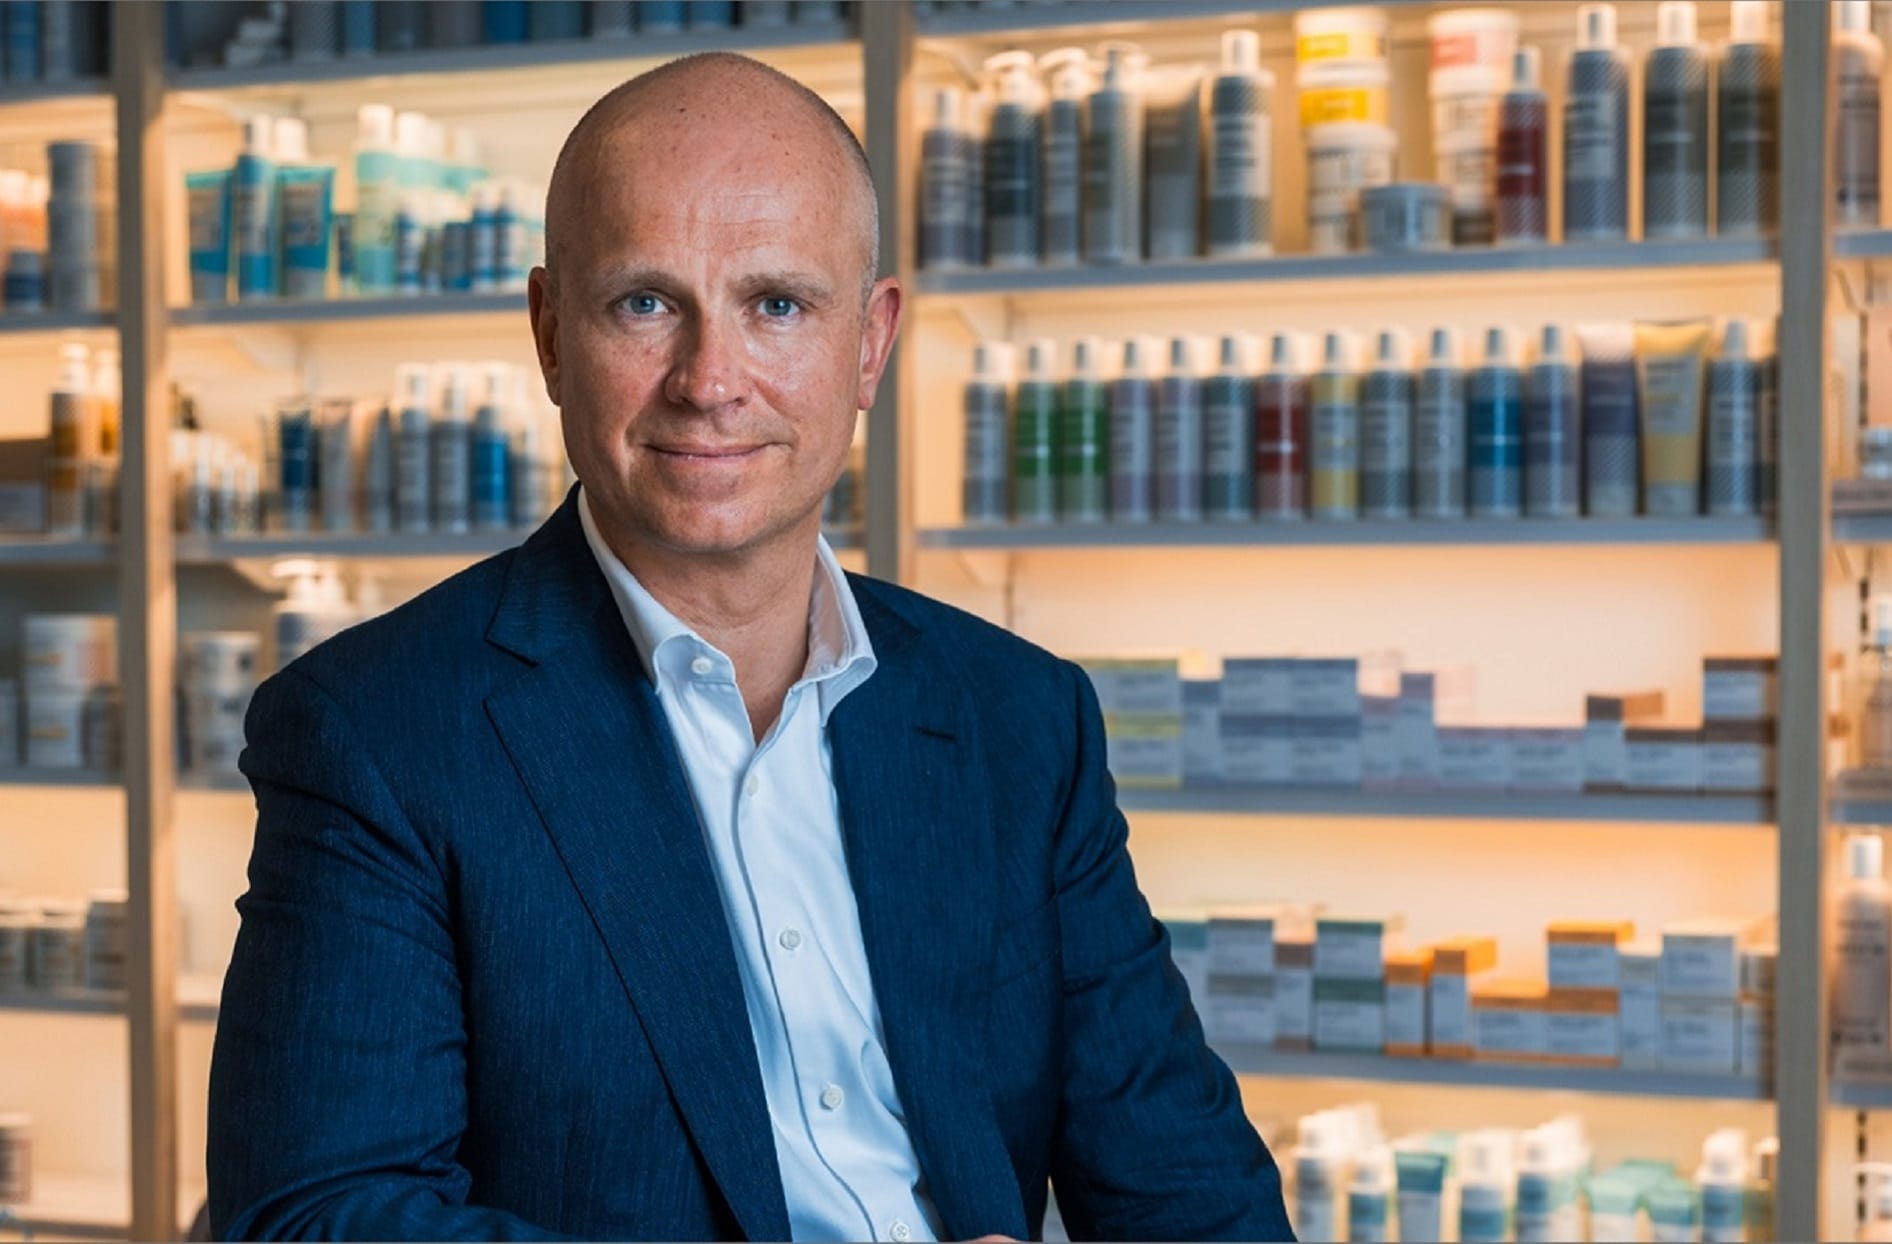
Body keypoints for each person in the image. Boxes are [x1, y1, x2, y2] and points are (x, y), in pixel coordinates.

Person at [207, 52, 1292, 1243]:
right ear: (551, 335)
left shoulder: (1018, 718)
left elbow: (1193, 1194)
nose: (709, 381)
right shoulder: (378, 732)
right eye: (645, 303)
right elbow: (320, 1216)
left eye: (776, 303)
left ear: (869, 343)